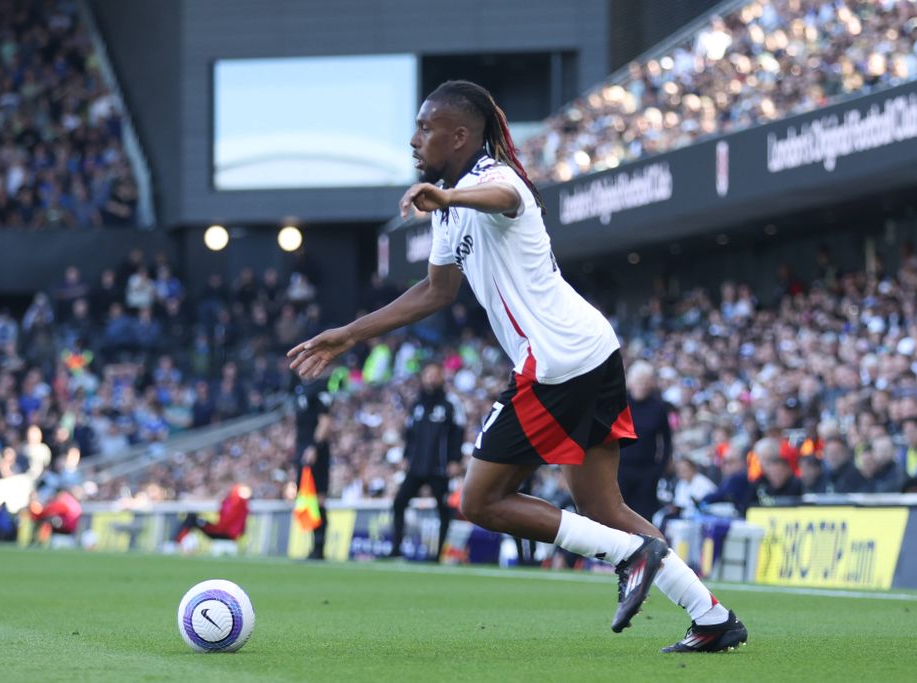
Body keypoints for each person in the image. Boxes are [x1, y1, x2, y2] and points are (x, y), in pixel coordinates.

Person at [288, 80, 745, 653]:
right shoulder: (450, 203)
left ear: (459, 135)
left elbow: (504, 198)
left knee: (479, 501)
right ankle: (712, 617)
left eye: (425, 128)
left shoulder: (491, 181)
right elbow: (434, 293)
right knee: (603, 508)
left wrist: (449, 198)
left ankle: (633, 555)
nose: (413, 139)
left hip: (556, 362)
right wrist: (349, 334)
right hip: (591, 350)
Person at [390, 361, 465, 560]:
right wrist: (406, 457)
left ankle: (439, 553)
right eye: (428, 373)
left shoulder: (451, 403)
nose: (431, 377)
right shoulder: (417, 405)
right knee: (399, 502)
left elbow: (459, 432)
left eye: (435, 373)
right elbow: (410, 434)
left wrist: (455, 459)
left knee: (442, 509)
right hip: (416, 466)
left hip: (439, 466)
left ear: (442, 377)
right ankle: (396, 549)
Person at [618, 362, 673, 520]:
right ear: (630, 382)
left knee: (643, 516)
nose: (642, 385)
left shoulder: (658, 407)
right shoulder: (621, 402)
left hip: (647, 471)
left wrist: (659, 467)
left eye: (645, 381)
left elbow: (667, 440)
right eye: (638, 381)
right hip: (621, 468)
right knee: (618, 514)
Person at [294, 377, 333, 560]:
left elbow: (325, 421)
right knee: (307, 498)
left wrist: (314, 447)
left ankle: (319, 546)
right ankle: (313, 546)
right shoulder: (299, 388)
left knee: (318, 498)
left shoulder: (320, 388)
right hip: (303, 449)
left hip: (315, 451)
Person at [173, 484, 251, 544]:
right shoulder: (229, 501)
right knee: (193, 518)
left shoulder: (235, 501)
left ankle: (176, 542)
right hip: (225, 531)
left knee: (192, 518)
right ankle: (178, 541)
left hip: (224, 532)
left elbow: (224, 523)